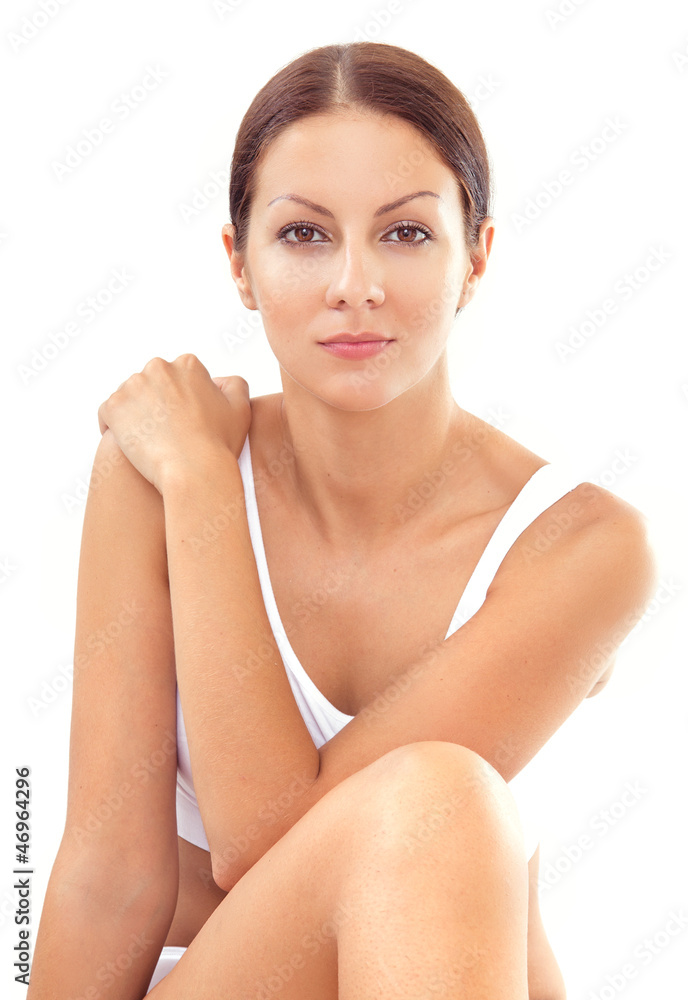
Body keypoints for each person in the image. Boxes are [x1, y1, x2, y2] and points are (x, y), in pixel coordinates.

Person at [27, 41, 657, 999]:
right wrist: (197, 478)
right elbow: (111, 875)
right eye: (304, 235)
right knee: (440, 801)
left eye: (405, 234)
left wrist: (203, 482)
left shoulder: (584, 548)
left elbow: (265, 836)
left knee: (441, 806)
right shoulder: (155, 467)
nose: (352, 284)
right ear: (239, 265)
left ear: (477, 254)